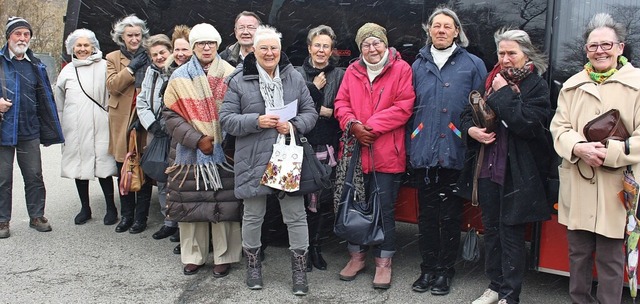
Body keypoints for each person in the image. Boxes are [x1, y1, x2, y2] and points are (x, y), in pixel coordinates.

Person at [220, 25, 318, 296]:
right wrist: (256, 120)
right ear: (253, 50)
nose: (269, 52)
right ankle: (253, 267)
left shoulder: (294, 77)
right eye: (263, 48)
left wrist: (294, 125)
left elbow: (310, 111)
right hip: (252, 156)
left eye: (274, 47)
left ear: (280, 50)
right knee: (253, 215)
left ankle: (299, 271)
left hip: (286, 156)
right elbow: (226, 119)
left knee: (296, 216)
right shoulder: (239, 80)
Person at [457, 29, 553, 304]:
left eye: (512, 53)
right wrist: (471, 131)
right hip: (487, 168)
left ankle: (510, 295)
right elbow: (467, 114)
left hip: (517, 173)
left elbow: (529, 124)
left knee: (511, 234)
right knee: (492, 230)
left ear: (526, 55)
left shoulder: (536, 85)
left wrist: (502, 94)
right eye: (502, 53)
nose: (506, 59)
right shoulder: (490, 80)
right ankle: (495, 285)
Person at [550, 13, 640, 304]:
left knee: (611, 260)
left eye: (606, 45)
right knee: (577, 255)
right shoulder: (572, 85)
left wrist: (610, 153)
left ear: (620, 47)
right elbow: (559, 128)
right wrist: (578, 148)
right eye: (593, 46)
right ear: (586, 50)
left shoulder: (637, 84)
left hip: (617, 188)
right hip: (579, 182)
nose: (599, 51)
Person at [408, 7, 486, 295]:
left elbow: (480, 109)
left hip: (456, 151)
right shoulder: (416, 64)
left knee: (450, 216)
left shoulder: (473, 64)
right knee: (426, 216)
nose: (441, 30)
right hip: (423, 152)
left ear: (456, 31)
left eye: (447, 26)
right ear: (429, 30)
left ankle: (444, 270)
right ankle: (427, 268)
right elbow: (407, 108)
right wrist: (411, 143)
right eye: (436, 25)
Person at [334, 22, 415, 289]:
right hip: (357, 154)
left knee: (384, 210)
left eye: (377, 42)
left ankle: (383, 262)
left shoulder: (401, 69)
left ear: (385, 44)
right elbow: (341, 103)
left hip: (387, 153)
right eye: (366, 44)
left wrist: (368, 126)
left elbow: (404, 106)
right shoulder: (352, 71)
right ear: (360, 49)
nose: (372, 48)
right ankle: (357, 257)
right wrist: (352, 126)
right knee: (355, 206)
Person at [163, 23, 242, 278]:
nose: (206, 47)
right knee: (192, 203)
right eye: (200, 43)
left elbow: (239, 111)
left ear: (217, 45)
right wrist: (197, 139)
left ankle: (224, 255)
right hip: (189, 152)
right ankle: (194, 255)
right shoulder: (179, 76)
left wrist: (225, 143)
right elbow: (170, 115)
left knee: (224, 204)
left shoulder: (231, 73)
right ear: (194, 47)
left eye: (210, 43)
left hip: (224, 151)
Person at [0, 16, 64, 238]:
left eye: (26, 34)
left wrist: (48, 129)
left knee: (34, 175)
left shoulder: (36, 64)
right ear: (9, 37)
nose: (22, 38)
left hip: (29, 129)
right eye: (18, 34)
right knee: (3, 178)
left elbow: (45, 98)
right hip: (3, 131)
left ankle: (37, 216)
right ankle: (2, 221)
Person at [55, 28, 118, 226]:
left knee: (104, 167)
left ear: (93, 47)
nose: (82, 49)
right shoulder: (67, 71)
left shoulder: (105, 66)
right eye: (78, 45)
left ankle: (111, 207)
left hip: (101, 125)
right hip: (74, 127)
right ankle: (85, 208)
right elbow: (60, 101)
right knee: (79, 166)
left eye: (86, 45)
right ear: (72, 47)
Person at [294, 24, 344, 271]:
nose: (321, 50)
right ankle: (301, 250)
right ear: (309, 47)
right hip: (301, 144)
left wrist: (330, 112)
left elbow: (344, 107)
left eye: (326, 46)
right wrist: (314, 90)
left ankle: (316, 247)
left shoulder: (340, 75)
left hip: (327, 145)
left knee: (321, 201)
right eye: (317, 45)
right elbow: (292, 107)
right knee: (299, 201)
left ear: (331, 49)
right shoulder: (295, 73)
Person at [105, 14, 153, 234]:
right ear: (121, 37)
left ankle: (140, 218)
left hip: (142, 116)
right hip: (120, 120)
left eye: (137, 35)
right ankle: (126, 215)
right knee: (123, 168)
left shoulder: (150, 54)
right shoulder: (113, 57)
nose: (134, 39)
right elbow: (113, 86)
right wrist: (132, 68)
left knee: (142, 168)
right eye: (129, 35)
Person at [135, 34, 175, 240]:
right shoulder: (150, 73)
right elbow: (141, 101)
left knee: (180, 177)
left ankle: (182, 222)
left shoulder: (177, 71)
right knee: (161, 177)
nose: (159, 57)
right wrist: (151, 123)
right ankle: (168, 220)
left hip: (176, 132)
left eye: (162, 52)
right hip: (155, 131)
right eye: (155, 54)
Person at [163, 25, 193, 254]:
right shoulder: (169, 72)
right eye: (177, 49)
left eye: (185, 49)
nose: (181, 53)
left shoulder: (195, 73)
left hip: (192, 136)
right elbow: (166, 109)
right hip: (176, 136)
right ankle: (181, 232)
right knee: (181, 186)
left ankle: (191, 235)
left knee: (196, 189)